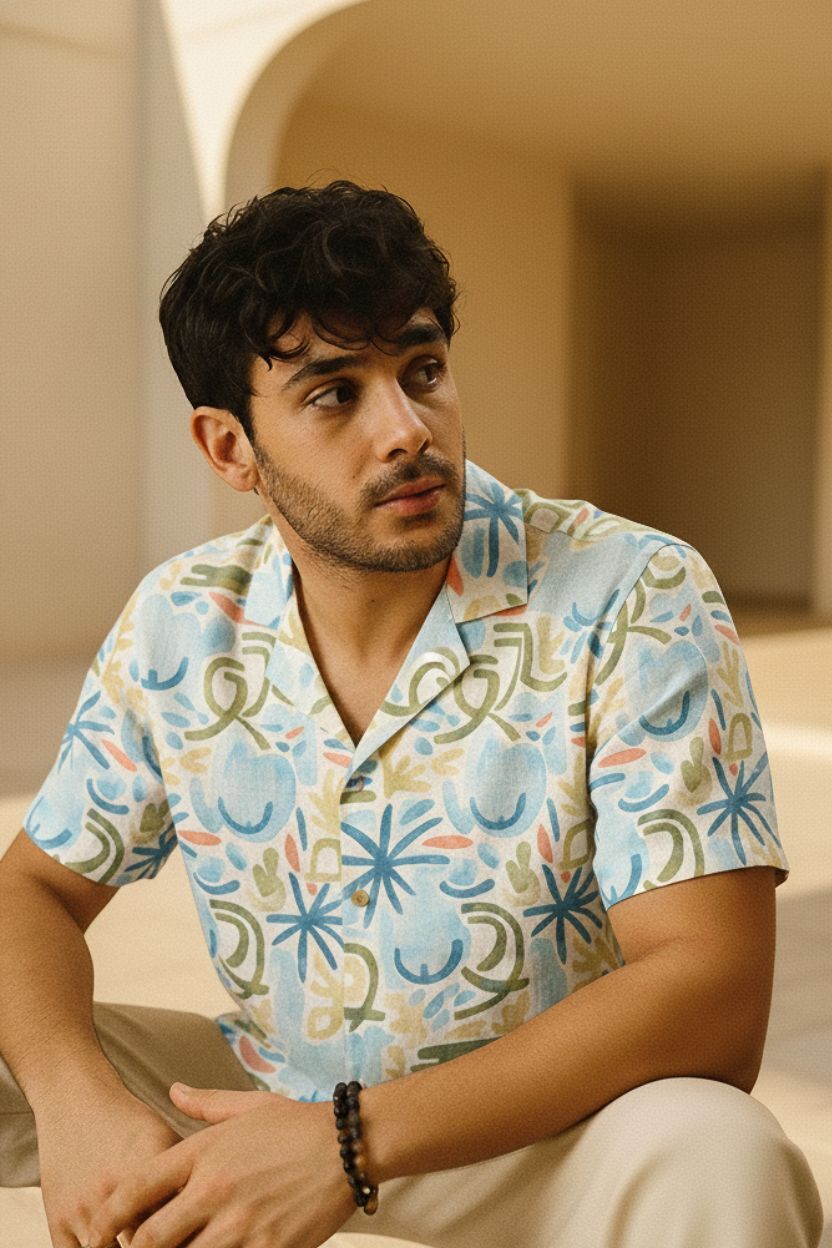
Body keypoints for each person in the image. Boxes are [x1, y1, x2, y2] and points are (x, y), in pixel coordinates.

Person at [0, 181, 822, 1248]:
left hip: (550, 1138)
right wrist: (74, 1102)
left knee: (720, 1150)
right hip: (261, 1097)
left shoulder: (630, 590)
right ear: (229, 449)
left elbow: (710, 992)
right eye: (334, 394)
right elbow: (31, 889)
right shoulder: (182, 620)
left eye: (422, 371)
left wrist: (345, 1143)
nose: (407, 430)